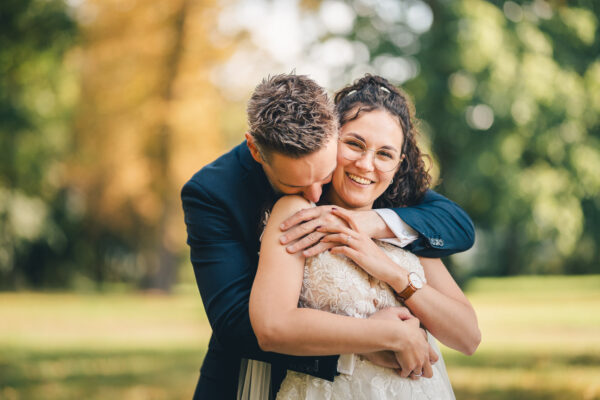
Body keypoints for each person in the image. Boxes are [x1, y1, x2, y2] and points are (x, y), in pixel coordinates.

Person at [180, 73, 475, 399]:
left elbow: (468, 333)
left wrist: (384, 255)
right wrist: (374, 340)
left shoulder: (397, 212)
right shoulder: (252, 202)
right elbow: (248, 324)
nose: (314, 194)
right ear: (336, 138)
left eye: (385, 154)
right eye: (354, 144)